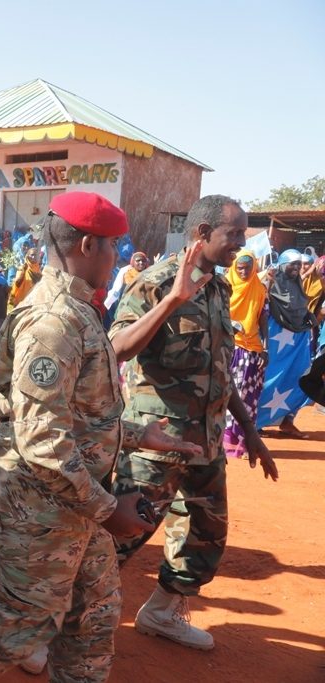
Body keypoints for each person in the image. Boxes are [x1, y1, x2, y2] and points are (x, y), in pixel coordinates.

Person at [0, 192, 207, 683]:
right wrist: (107, 509)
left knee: (94, 611)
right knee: (18, 626)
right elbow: (43, 439)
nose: (116, 256)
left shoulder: (77, 308)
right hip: (34, 498)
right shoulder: (53, 322)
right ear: (88, 245)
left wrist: (138, 435)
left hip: (68, 496)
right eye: (112, 246)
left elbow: (76, 413)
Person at [110, 195, 279, 652]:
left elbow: (220, 372)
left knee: (205, 533)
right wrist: (172, 302)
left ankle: (162, 612)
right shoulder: (155, 282)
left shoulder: (220, 288)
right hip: (156, 441)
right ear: (203, 234)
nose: (242, 243)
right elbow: (117, 348)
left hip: (206, 440)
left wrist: (250, 431)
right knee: (121, 534)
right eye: (234, 234)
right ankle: (54, 619)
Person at [255, 249, 317, 437]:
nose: (297, 267)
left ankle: (288, 421)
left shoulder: (297, 284)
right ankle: (255, 422)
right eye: (293, 263)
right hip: (276, 338)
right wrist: (267, 281)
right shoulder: (270, 283)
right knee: (270, 377)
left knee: (302, 377)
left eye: (299, 263)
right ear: (282, 265)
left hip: (298, 340)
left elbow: (300, 306)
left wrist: (309, 316)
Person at [223, 251, 270, 458]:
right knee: (231, 394)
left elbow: (263, 320)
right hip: (229, 347)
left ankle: (243, 442)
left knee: (249, 396)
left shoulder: (260, 288)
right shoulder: (224, 286)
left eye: (248, 268)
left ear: (254, 267)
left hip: (253, 350)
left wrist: (265, 348)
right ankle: (227, 441)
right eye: (240, 268)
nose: (243, 272)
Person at [6, 245, 41, 312]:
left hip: (33, 301)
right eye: (32, 255)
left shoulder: (38, 270)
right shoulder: (23, 268)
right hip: (22, 301)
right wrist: (23, 272)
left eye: (36, 255)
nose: (34, 257)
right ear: (27, 256)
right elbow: (17, 283)